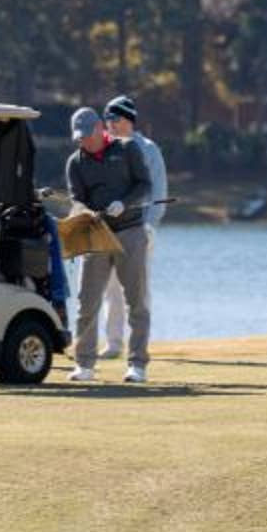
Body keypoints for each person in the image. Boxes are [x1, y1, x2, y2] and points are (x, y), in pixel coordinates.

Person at [64, 106, 154, 383]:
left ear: (100, 128)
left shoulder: (127, 149)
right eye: (78, 138)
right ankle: (85, 365)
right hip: (96, 233)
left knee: (135, 300)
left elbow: (144, 186)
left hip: (130, 231)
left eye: (87, 136)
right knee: (86, 301)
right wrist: (84, 211)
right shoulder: (76, 162)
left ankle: (137, 365)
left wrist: (123, 203)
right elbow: (76, 198)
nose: (84, 142)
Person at [99, 95, 166, 359]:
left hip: (139, 230)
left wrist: (150, 226)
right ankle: (114, 344)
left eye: (114, 119)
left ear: (128, 120)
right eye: (107, 120)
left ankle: (140, 344)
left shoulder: (148, 149)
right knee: (109, 289)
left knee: (138, 291)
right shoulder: (102, 148)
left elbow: (158, 191)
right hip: (108, 231)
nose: (110, 124)